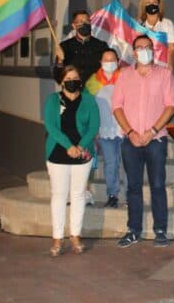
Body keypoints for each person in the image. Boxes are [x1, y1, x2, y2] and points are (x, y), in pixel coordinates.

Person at [112, 35, 174, 248]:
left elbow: (171, 105)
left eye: (148, 47)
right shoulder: (124, 75)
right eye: (139, 48)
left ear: (154, 50)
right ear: (133, 52)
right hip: (130, 139)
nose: (144, 51)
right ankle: (134, 230)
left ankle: (160, 229)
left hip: (156, 139)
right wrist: (130, 131)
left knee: (157, 185)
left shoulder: (165, 74)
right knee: (133, 186)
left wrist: (152, 131)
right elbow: (117, 107)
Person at [43, 65, 100, 257]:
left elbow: (94, 126)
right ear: (61, 81)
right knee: (59, 195)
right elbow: (50, 125)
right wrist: (68, 145)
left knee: (78, 195)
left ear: (80, 81)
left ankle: (75, 235)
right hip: (58, 153)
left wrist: (81, 146)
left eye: (75, 78)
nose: (72, 81)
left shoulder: (89, 100)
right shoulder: (53, 100)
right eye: (68, 78)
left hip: (82, 155)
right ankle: (57, 238)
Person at [85, 48, 123, 208]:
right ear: (100, 62)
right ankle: (112, 194)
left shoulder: (125, 78)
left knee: (127, 165)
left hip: (124, 129)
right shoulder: (92, 82)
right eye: (106, 60)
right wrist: (93, 130)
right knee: (110, 163)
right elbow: (88, 108)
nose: (109, 63)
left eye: (112, 59)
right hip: (103, 131)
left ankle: (130, 196)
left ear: (118, 61)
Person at [54, 10, 109, 83]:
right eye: (80, 21)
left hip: (95, 91)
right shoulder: (65, 46)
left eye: (87, 21)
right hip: (74, 91)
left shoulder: (101, 46)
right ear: (74, 26)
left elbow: (109, 71)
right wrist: (60, 61)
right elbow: (58, 77)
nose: (84, 24)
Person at [138, 0, 174, 71]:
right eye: (148, 3)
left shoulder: (167, 24)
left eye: (154, 2)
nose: (151, 5)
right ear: (143, 6)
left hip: (162, 68)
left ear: (159, 5)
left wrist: (170, 68)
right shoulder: (139, 26)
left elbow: (172, 49)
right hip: (143, 69)